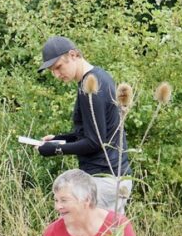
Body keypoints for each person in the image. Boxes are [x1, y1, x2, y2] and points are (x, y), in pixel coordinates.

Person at [36, 36, 132, 213]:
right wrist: (59, 139)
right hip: (113, 177)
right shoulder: (98, 77)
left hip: (105, 178)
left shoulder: (91, 88)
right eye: (52, 71)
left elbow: (95, 142)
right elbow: (92, 131)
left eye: (58, 67)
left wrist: (55, 150)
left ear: (73, 55)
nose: (56, 75)